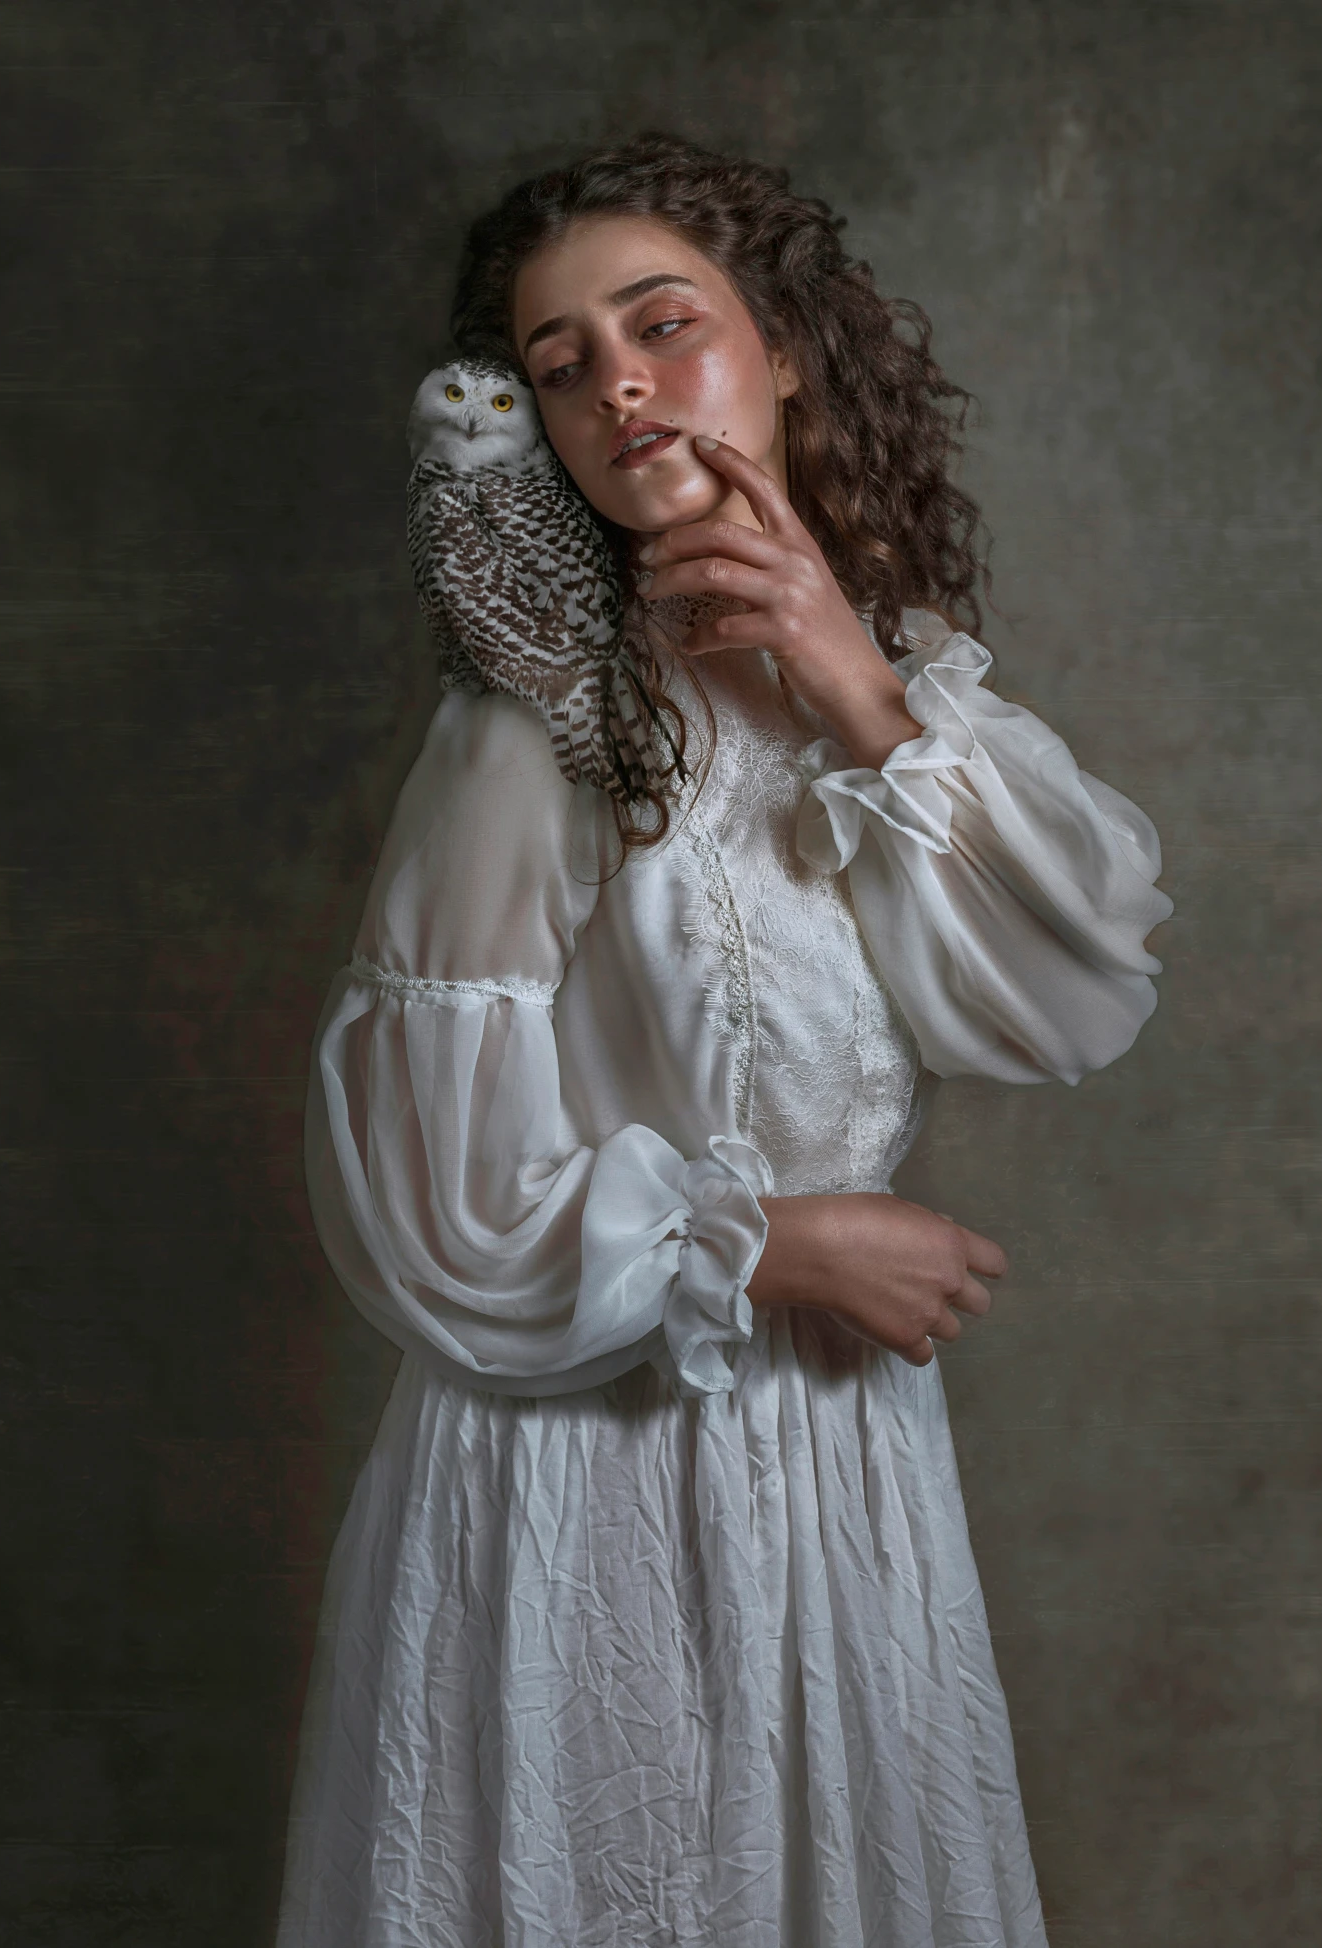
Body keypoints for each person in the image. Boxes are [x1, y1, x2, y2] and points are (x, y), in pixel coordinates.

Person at [275, 132, 1173, 1948]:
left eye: (660, 322)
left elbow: (1072, 992)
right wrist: (773, 1242)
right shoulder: (531, 734)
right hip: (574, 1468)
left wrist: (858, 687)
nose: (614, 379)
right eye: (555, 362)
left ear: (781, 351)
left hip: (837, 1473)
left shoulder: (900, 693)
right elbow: (424, 1196)